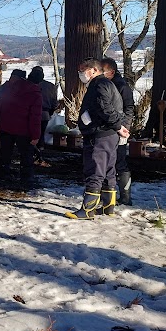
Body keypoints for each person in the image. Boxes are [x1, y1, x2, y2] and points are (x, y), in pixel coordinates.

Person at [65, 58, 129, 219]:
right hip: (108, 134)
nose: (80, 73)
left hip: (100, 134)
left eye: (82, 70)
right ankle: (108, 207)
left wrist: (117, 126)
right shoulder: (105, 84)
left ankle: (87, 210)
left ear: (93, 70)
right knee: (108, 170)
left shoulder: (99, 85)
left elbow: (105, 107)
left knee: (95, 169)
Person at [0, 70, 42, 189]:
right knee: (26, 154)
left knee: (5, 152)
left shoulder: (6, 88)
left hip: (6, 126)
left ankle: (3, 174)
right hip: (24, 130)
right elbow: (35, 116)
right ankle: (27, 178)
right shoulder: (34, 92)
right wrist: (35, 135)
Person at [101, 57, 135, 206]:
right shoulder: (104, 84)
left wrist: (124, 127)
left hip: (119, 129)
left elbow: (129, 108)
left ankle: (125, 196)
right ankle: (108, 194)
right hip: (106, 129)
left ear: (111, 72)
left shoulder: (122, 86)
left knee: (119, 162)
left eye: (103, 71)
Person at [27, 66, 58, 166]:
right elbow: (54, 102)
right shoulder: (50, 86)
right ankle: (39, 154)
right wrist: (51, 112)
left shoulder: (28, 85)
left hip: (30, 114)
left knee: (29, 135)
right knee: (41, 135)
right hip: (45, 114)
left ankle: (32, 155)